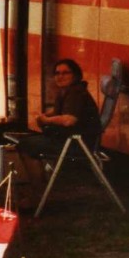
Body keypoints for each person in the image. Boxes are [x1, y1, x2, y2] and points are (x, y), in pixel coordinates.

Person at [12, 59, 101, 206]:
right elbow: (60, 111)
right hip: (72, 140)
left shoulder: (76, 93)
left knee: (26, 146)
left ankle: (39, 195)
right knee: (29, 142)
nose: (60, 76)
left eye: (65, 73)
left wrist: (46, 121)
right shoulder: (68, 91)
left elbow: (69, 120)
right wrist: (46, 116)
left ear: (75, 75)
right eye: (57, 73)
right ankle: (41, 192)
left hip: (77, 145)